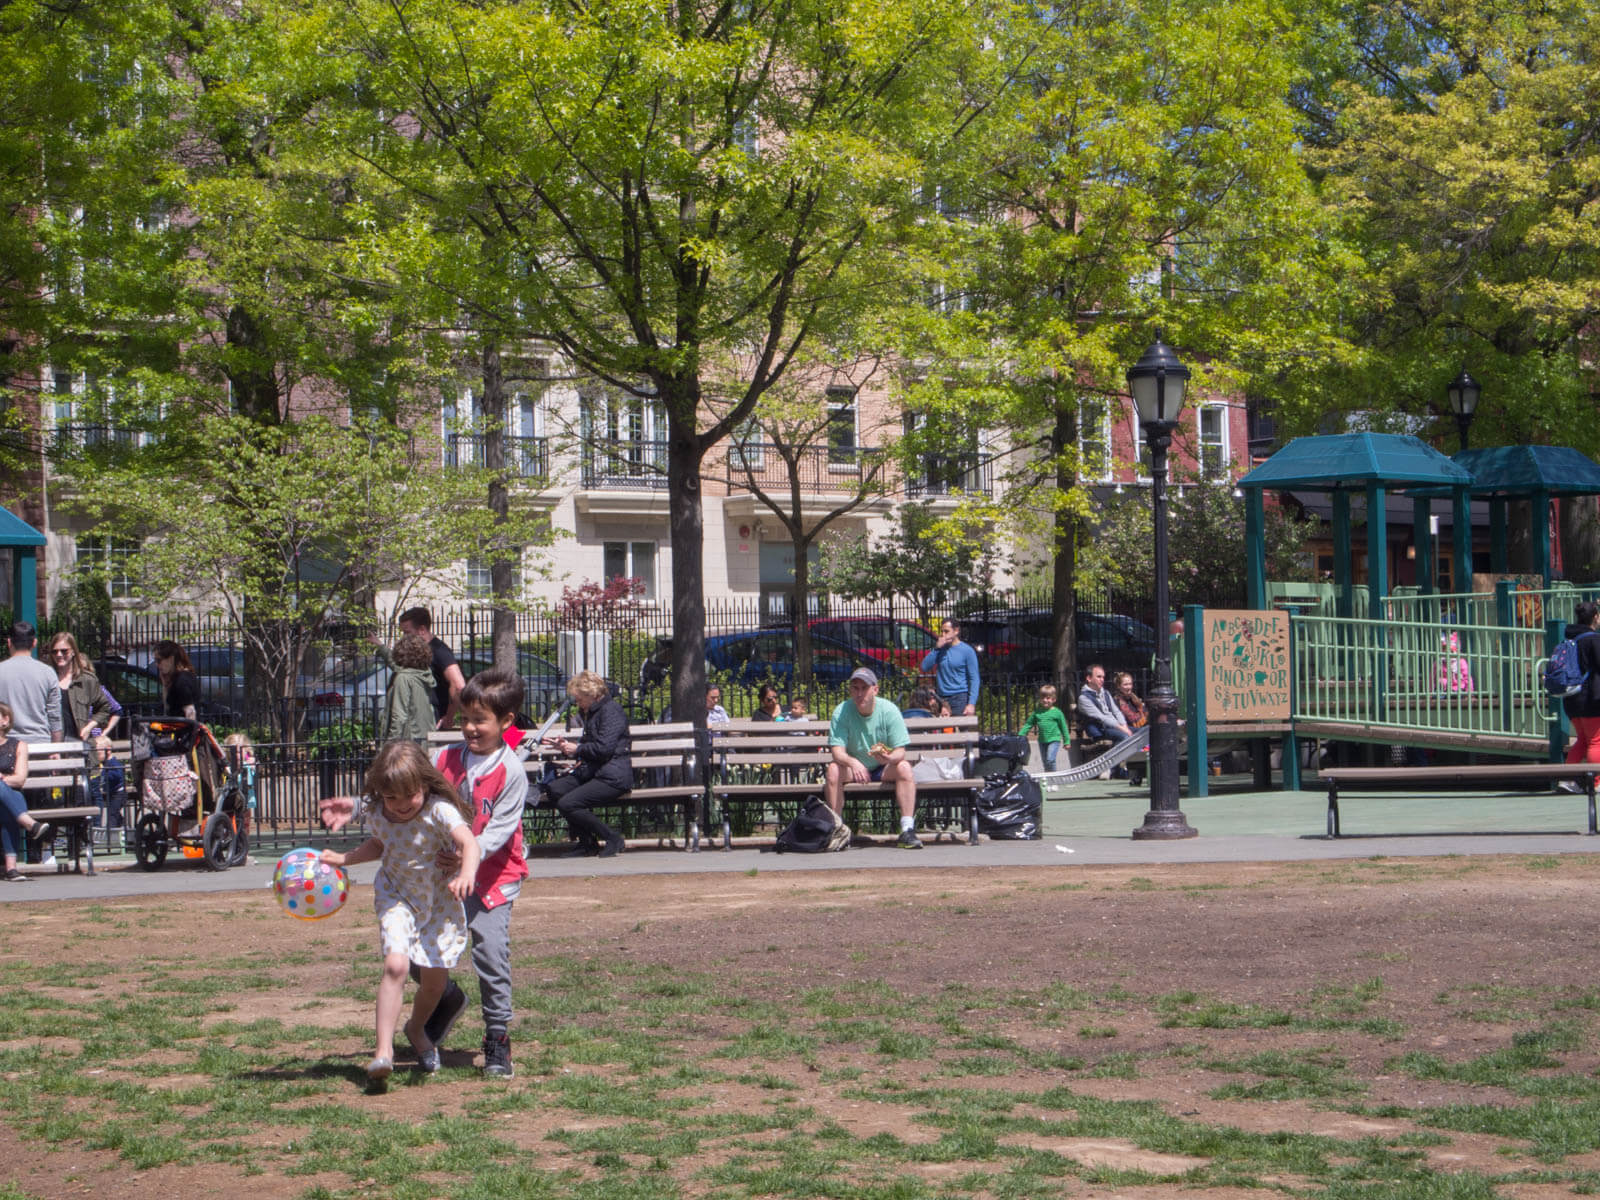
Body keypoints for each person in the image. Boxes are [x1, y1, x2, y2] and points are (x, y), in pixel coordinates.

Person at [320, 741, 480, 1085]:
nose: (401, 805)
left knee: (434, 985)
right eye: (392, 798)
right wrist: (344, 859)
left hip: (438, 904)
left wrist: (466, 873)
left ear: (424, 784)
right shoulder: (379, 810)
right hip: (396, 898)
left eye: (410, 796)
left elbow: (469, 842)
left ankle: (417, 1029)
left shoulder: (438, 810)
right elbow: (380, 843)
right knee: (396, 965)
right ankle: (383, 1053)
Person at [428, 668, 530, 1079]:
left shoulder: (512, 773)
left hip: (493, 878)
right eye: (465, 718)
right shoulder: (444, 760)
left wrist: (468, 857)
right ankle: (446, 998)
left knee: (489, 952)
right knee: (420, 952)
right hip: (447, 876)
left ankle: (497, 1036)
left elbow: (500, 832)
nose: (469, 727)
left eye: (480, 720)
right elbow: (415, 801)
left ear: (506, 721)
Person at [541, 670, 632, 859]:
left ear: (592, 695)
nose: (578, 703)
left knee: (568, 803)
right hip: (595, 771)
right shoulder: (593, 712)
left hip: (612, 776)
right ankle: (586, 843)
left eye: (580, 699)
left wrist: (577, 749)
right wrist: (565, 747)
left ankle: (612, 838)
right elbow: (590, 747)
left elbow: (604, 748)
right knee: (555, 789)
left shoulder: (611, 711)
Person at [826, 667, 920, 849]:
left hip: (883, 768)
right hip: (854, 769)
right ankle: (837, 831)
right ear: (850, 690)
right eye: (855, 688)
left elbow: (900, 751)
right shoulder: (841, 711)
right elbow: (837, 752)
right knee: (833, 770)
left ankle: (907, 830)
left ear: (875, 689)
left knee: (904, 767)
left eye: (864, 688)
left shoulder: (889, 710)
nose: (860, 693)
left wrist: (889, 758)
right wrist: (853, 763)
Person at [49, 632, 121, 836]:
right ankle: (54, 843)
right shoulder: (48, 678)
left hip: (79, 744)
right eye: (55, 652)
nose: (60, 655)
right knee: (57, 798)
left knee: (83, 796)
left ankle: (81, 843)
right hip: (55, 746)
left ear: (73, 652)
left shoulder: (86, 680)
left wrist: (90, 727)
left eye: (64, 651)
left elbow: (105, 707)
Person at [0, 702, 55, 881]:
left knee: (6, 805)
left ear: (5, 720)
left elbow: (20, 778)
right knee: (9, 801)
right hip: (13, 798)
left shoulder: (19, 745)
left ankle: (11, 869)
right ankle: (30, 825)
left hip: (10, 796)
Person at [398, 607, 468, 730]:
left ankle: (512, 742)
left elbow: (459, 685)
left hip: (434, 722)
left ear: (422, 630)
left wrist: (449, 717)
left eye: (407, 632)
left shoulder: (439, 651)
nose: (404, 637)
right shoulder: (421, 652)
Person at [0, 621, 63, 744]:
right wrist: (56, 748)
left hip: (6, 744)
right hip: (40, 743)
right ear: (34, 643)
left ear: (9, 642)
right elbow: (55, 716)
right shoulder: (48, 673)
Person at [379, 633, 438, 746]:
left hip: (409, 745)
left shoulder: (404, 678)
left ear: (400, 653)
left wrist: (389, 747)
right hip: (425, 739)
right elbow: (396, 667)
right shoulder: (423, 674)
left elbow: (399, 716)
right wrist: (381, 647)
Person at [1563, 601, 1600, 769]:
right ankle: (1598, 782)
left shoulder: (1570, 638)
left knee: (1583, 740)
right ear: (1595, 617)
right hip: (1590, 699)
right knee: (1596, 741)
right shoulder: (1593, 639)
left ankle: (1567, 780)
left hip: (1571, 698)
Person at [920, 618, 980, 716]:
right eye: (942, 631)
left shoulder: (967, 651)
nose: (943, 635)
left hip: (959, 697)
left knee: (961, 729)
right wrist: (936, 649)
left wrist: (971, 704)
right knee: (943, 730)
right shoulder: (940, 650)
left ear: (956, 631)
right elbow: (924, 667)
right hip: (941, 698)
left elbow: (974, 679)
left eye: (946, 631)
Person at [1018, 683, 1070, 772]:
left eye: (1048, 698)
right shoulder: (1037, 712)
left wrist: (1067, 741)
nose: (1045, 700)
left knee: (1050, 760)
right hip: (1042, 741)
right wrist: (1020, 735)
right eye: (1043, 698)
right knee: (1045, 762)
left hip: (1054, 740)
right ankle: (1048, 779)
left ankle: (1054, 779)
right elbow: (1028, 724)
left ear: (1054, 699)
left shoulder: (1057, 713)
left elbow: (1064, 728)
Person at [1078, 664, 1133, 744]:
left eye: (1103, 677)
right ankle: (1116, 757)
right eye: (1099, 677)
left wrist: (1124, 726)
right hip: (1100, 731)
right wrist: (1122, 728)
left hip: (1115, 727)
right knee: (1124, 736)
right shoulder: (1084, 698)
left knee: (1144, 732)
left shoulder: (1106, 693)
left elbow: (1116, 712)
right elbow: (1102, 718)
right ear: (1089, 678)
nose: (1102, 680)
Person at [154, 640, 200, 721]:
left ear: (171, 659)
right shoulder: (180, 677)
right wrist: (165, 685)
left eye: (159, 660)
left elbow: (190, 712)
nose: (157, 665)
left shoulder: (182, 681)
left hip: (182, 729)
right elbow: (168, 708)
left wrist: (189, 731)